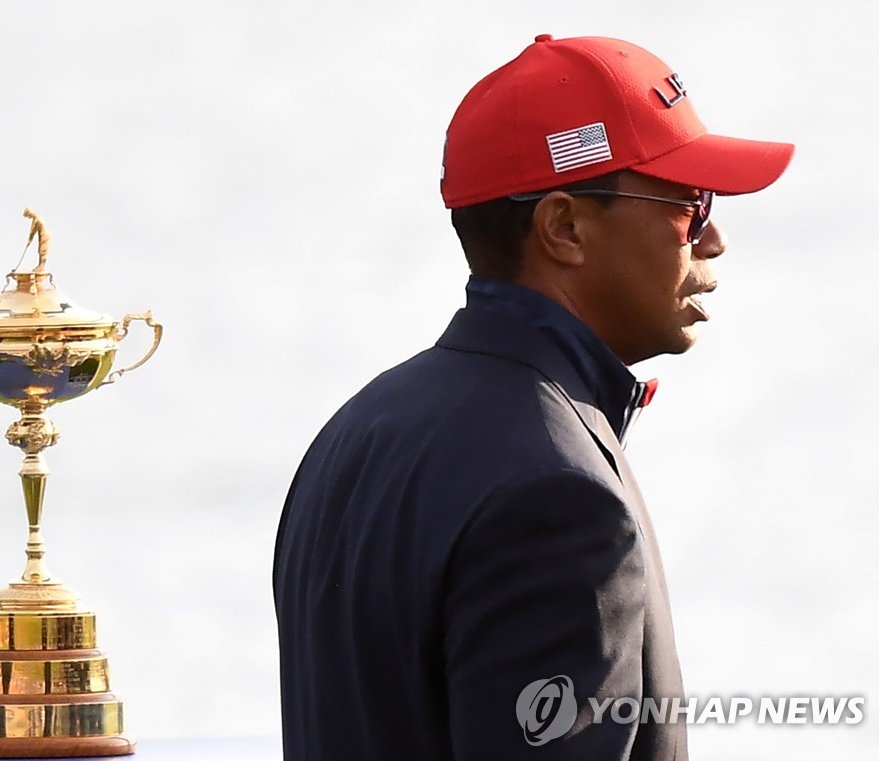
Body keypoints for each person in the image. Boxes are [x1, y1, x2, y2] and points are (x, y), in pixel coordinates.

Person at [273, 34, 793, 760]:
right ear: (565, 228)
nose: (714, 240)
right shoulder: (560, 495)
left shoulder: (354, 433)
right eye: (690, 204)